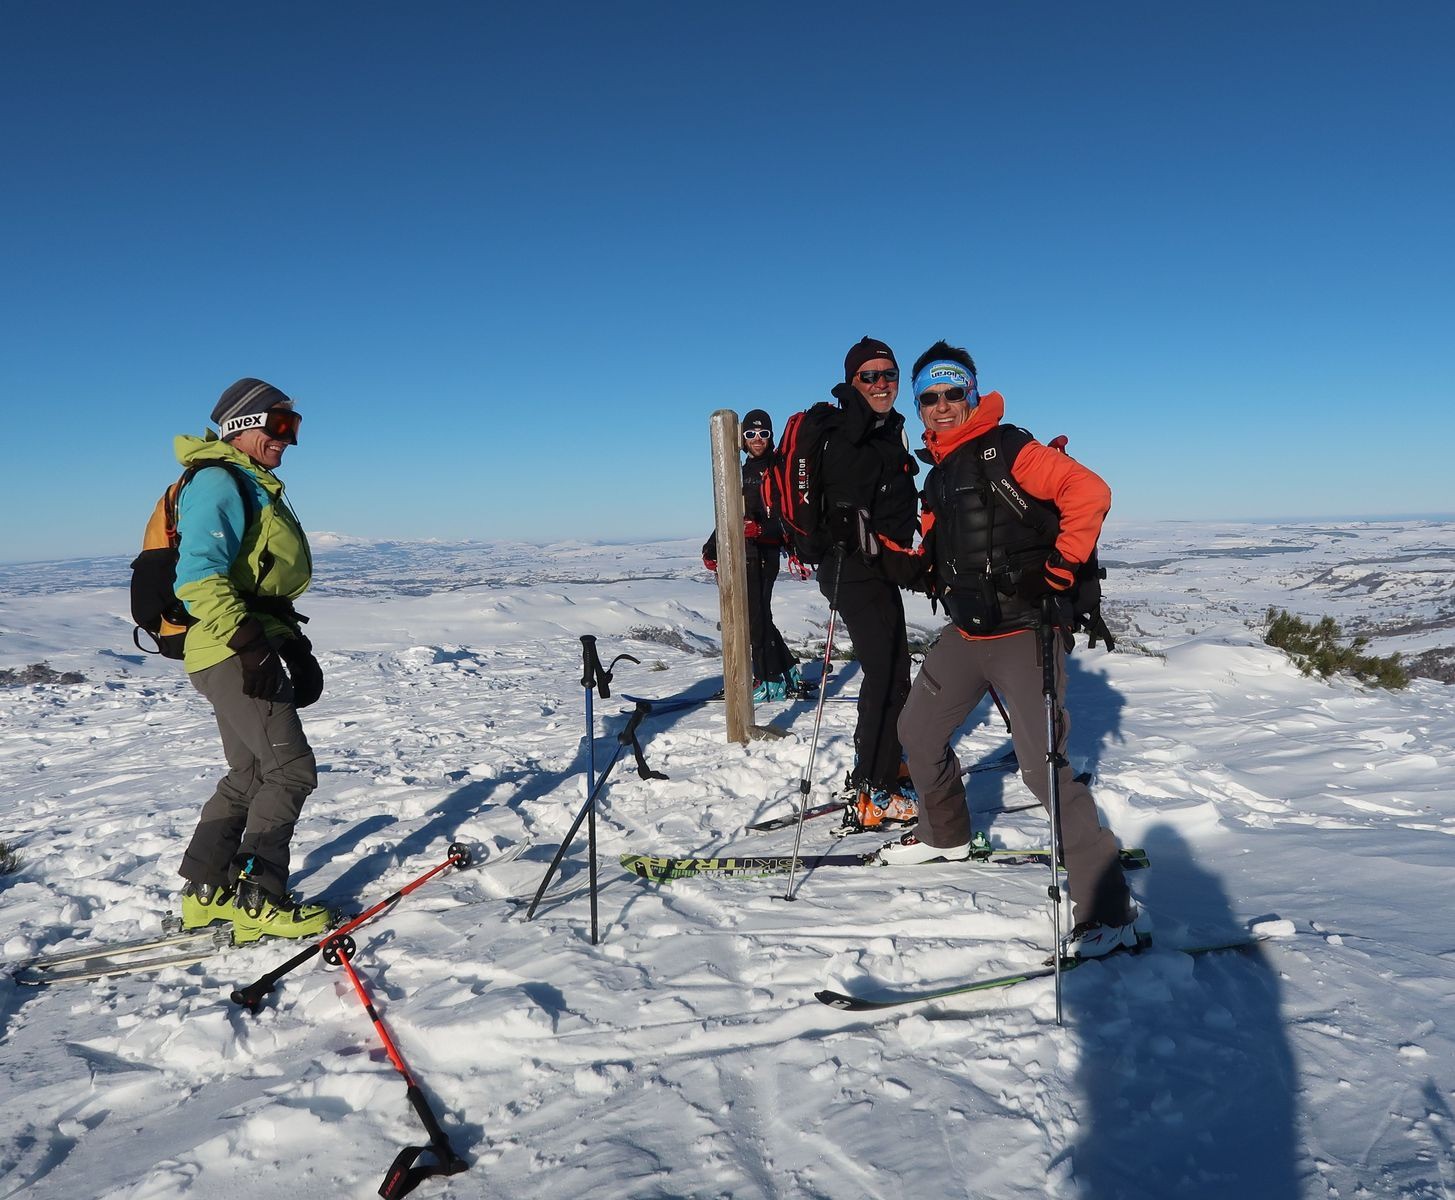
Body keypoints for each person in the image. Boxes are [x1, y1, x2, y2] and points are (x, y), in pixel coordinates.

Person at [876, 340, 1136, 958]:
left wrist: (1061, 569)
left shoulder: (1009, 447)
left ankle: (1108, 910)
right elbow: (945, 552)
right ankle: (945, 837)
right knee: (915, 730)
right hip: (967, 634)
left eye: (952, 393)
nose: (942, 406)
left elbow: (1089, 492)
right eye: (929, 398)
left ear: (971, 393)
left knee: (1042, 766)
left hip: (1024, 632)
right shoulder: (940, 471)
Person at [172, 378, 332, 942]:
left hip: (238, 645)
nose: (287, 440)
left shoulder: (251, 483)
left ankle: (204, 893)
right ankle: (259, 898)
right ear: (243, 424)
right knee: (290, 771)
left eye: (294, 427)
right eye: (280, 425)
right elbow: (199, 578)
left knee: (250, 773)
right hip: (230, 649)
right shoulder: (219, 482)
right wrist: (252, 647)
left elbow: (260, 584)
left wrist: (293, 646)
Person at [818, 337, 921, 834]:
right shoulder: (850, 432)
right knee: (887, 675)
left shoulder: (884, 428)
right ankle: (874, 788)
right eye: (870, 376)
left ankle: (880, 769)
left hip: (875, 570)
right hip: (856, 572)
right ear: (853, 381)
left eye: (889, 374)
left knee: (893, 670)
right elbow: (847, 511)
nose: (882, 384)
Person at [703, 410, 806, 701]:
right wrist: (711, 548)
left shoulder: (777, 469)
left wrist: (760, 528)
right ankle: (786, 672)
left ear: (771, 436)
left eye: (763, 434)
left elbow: (787, 515)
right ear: (743, 439)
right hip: (745, 553)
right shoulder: (743, 471)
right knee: (759, 618)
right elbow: (731, 515)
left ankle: (767, 679)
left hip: (765, 553)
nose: (757, 439)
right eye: (750, 434)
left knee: (755, 621)